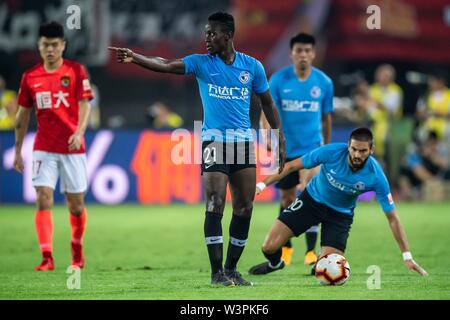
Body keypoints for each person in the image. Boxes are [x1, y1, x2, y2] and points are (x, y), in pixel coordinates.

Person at [109, 11, 286, 287]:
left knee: (244, 207)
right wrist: (136, 57)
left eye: (212, 34)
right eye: (206, 33)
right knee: (215, 201)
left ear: (227, 35)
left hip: (243, 144)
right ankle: (216, 273)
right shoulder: (201, 64)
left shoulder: (252, 67)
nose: (206, 38)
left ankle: (232, 269)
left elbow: (268, 104)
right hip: (214, 141)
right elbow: (166, 64)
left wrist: (278, 140)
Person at [248, 127, 428, 278]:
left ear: (371, 150)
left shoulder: (376, 176)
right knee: (268, 247)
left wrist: (407, 256)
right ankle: (275, 264)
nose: (357, 154)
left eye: (363, 151)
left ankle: (320, 260)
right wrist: (262, 184)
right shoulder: (332, 152)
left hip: (340, 216)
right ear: (348, 146)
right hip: (311, 201)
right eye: (354, 149)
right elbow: (291, 166)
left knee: (330, 268)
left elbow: (393, 218)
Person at [13, 22, 93, 271]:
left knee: (76, 205)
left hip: (72, 147)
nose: (50, 49)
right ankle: (47, 257)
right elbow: (22, 116)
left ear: (63, 46)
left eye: (55, 45)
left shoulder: (76, 71)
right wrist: (17, 151)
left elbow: (85, 104)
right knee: (43, 198)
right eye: (45, 45)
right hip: (44, 147)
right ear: (39, 46)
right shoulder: (30, 77)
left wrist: (79, 132)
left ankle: (76, 250)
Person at [260, 33, 333, 267]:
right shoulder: (279, 80)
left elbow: (326, 119)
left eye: (307, 51)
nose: (303, 55)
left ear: (313, 54)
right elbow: (266, 111)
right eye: (299, 50)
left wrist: (327, 149)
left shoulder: (324, 83)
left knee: (311, 193)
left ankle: (311, 251)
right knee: (287, 197)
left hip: (312, 150)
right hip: (285, 151)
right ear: (291, 53)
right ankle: (287, 247)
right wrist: (267, 136)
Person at [369, 64, 403, 165]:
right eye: (381, 75)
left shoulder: (395, 90)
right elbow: (368, 107)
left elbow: (390, 108)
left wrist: (373, 101)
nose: (383, 78)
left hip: (390, 125)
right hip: (371, 123)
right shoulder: (373, 88)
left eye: (386, 76)